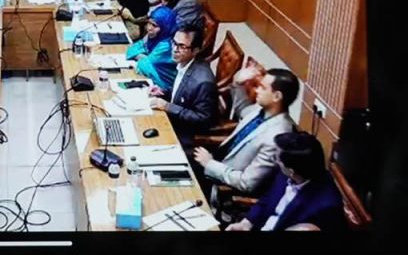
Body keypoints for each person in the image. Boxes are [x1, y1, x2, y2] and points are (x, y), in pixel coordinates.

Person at [192, 66, 299, 207]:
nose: (257, 90)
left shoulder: (277, 137)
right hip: (212, 162)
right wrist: (237, 83)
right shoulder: (262, 110)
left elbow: (247, 183)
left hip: (220, 184)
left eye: (262, 88)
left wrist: (210, 164)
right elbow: (242, 111)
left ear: (277, 96)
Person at [226, 132, 346, 231]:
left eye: (276, 158)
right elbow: (267, 199)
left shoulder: (326, 206)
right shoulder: (287, 174)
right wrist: (247, 223)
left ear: (291, 171)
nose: (274, 160)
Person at [148, 23, 218, 151]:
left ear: (196, 50)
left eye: (182, 46)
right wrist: (163, 92)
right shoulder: (183, 63)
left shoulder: (203, 82)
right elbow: (181, 92)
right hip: (172, 119)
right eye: (174, 43)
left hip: (184, 134)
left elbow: (203, 119)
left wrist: (168, 107)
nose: (175, 49)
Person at [125, 6, 178, 91]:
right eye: (149, 23)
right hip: (152, 81)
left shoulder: (166, 45)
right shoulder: (153, 36)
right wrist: (143, 57)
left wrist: (139, 56)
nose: (149, 28)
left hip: (164, 87)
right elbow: (131, 49)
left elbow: (143, 66)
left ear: (165, 27)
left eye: (154, 25)